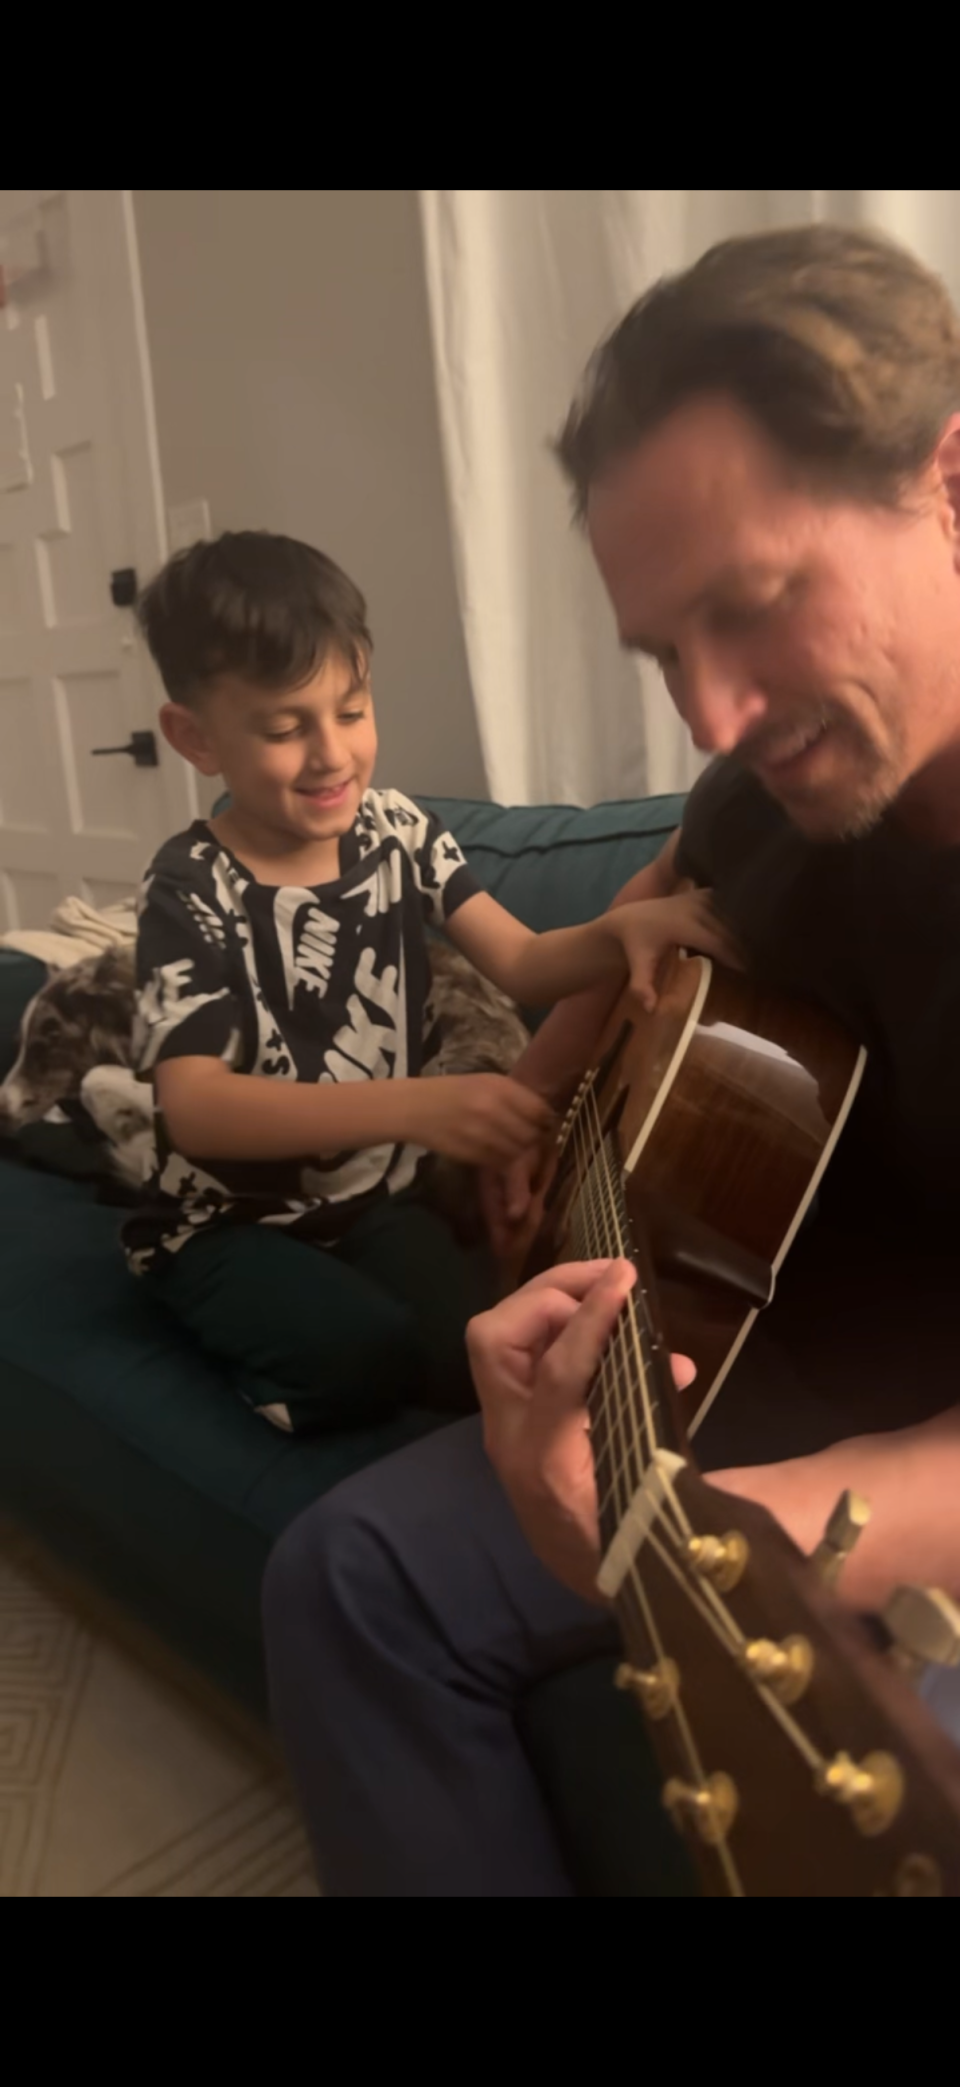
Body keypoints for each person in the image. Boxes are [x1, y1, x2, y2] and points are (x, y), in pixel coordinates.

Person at [262, 223, 960, 1893]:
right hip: (740, 1335)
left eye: (754, 606)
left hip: (901, 1447)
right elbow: (659, 901)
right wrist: (546, 1109)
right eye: (664, 656)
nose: (712, 719)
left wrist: (727, 1541)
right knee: (346, 1574)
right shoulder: (764, 795)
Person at [124, 533, 727, 1431]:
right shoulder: (189, 886)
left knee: (484, 1349)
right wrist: (421, 1106)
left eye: (353, 709)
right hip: (226, 1224)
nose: (333, 754)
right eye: (288, 728)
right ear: (195, 738)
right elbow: (197, 1106)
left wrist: (623, 930)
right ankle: (237, 1344)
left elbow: (523, 960)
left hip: (377, 1201)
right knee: (360, 1355)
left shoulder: (399, 831)